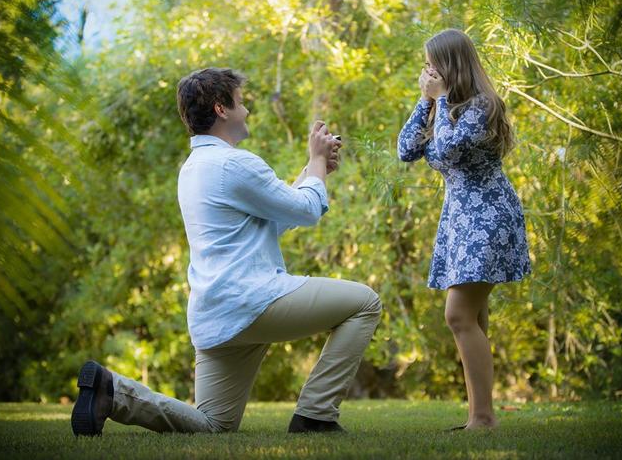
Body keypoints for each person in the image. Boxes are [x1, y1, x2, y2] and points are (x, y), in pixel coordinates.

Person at [71, 67, 381, 436]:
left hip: (216, 316)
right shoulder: (234, 162)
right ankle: (315, 415)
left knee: (214, 424)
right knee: (365, 302)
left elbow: (275, 218)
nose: (247, 110)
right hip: (252, 301)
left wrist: (314, 171)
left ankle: (112, 392)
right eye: (241, 102)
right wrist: (315, 162)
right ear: (221, 109)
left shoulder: (194, 169)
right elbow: (306, 210)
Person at [397, 29, 531, 429]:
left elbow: (451, 149)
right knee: (473, 316)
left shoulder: (480, 106)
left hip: (488, 215)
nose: (427, 72)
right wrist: (426, 101)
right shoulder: (445, 106)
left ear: (451, 63)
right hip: (460, 219)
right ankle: (480, 416)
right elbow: (406, 150)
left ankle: (484, 417)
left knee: (458, 315)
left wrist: (437, 100)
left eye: (431, 65)